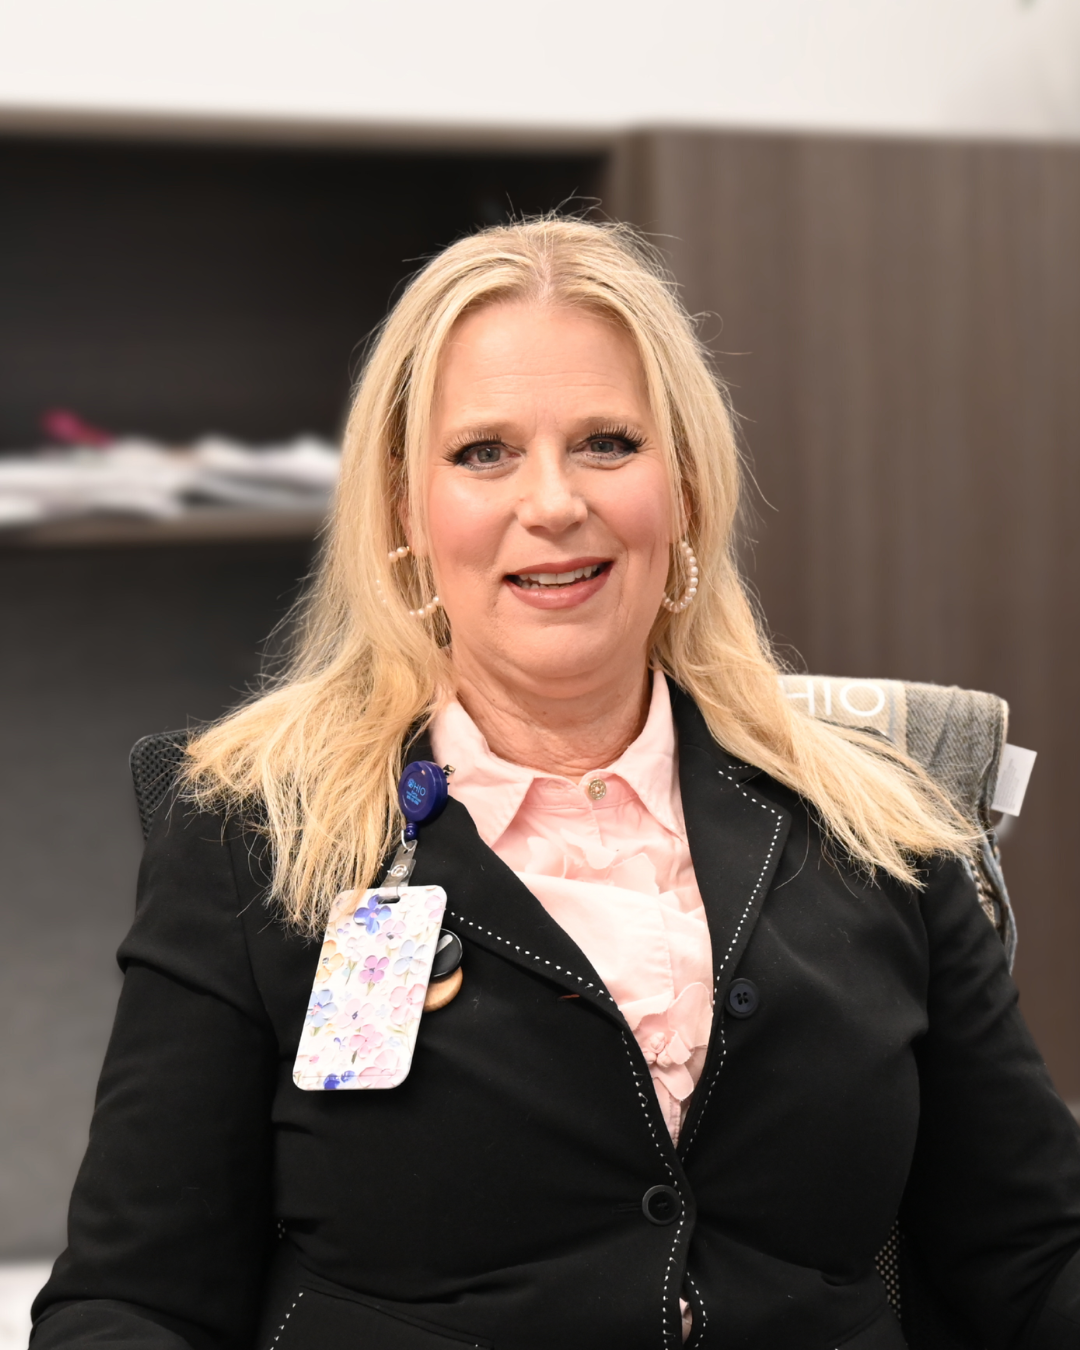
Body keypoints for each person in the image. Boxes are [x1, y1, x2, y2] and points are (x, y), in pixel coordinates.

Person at [31, 218, 1080, 1350]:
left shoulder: (880, 826)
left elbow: (1030, 1257)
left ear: (681, 483)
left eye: (608, 443)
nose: (553, 502)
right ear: (403, 511)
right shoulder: (252, 834)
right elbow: (130, 1304)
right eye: (484, 452)